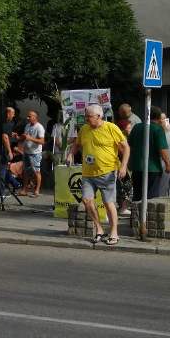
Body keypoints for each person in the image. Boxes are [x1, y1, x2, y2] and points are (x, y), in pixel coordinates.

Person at [66, 104, 130, 245]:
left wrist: (123, 166)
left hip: (107, 172)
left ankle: (114, 232)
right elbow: (76, 144)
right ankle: (99, 229)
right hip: (88, 173)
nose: (87, 119)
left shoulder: (111, 128)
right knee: (87, 201)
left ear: (99, 116)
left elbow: (126, 147)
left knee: (108, 203)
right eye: (86, 117)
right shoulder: (84, 129)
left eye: (90, 117)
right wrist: (71, 154)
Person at [128, 107, 170, 202]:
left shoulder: (136, 127)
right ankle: (148, 216)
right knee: (151, 197)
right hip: (152, 168)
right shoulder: (158, 129)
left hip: (136, 167)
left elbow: (129, 146)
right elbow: (163, 150)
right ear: (159, 117)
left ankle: (136, 215)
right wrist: (168, 165)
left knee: (137, 195)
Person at [19, 110, 46, 197]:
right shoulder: (27, 125)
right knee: (26, 171)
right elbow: (25, 137)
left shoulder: (39, 127)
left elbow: (42, 141)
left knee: (36, 171)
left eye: (29, 116)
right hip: (26, 152)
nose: (28, 118)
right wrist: (19, 137)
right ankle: (25, 190)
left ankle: (37, 190)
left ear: (35, 117)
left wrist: (30, 138)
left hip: (35, 153)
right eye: (28, 116)